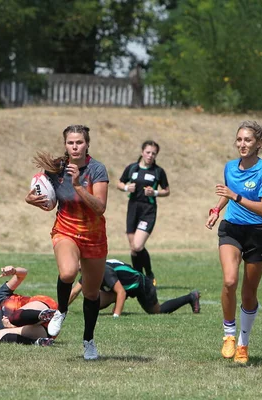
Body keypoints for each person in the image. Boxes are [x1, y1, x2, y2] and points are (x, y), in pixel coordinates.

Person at [25, 125, 109, 360]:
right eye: (71, 142)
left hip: (94, 237)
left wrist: (78, 185)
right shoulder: (55, 168)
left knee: (92, 294)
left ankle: (89, 341)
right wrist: (31, 200)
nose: (75, 146)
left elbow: (100, 208)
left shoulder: (97, 169)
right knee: (68, 273)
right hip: (66, 230)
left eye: (79, 142)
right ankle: (61, 310)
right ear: (65, 145)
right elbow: (50, 203)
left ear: (87, 144)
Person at [205, 121, 262, 365]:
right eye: (239, 140)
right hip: (231, 230)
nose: (242, 144)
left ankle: (243, 344)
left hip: (256, 233)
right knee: (229, 280)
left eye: (247, 140)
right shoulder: (229, 167)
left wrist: (236, 196)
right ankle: (228, 335)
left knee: (248, 293)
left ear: (258, 144)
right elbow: (228, 194)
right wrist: (217, 209)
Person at [68, 259, 200, 317]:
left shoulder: (104, 271)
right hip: (125, 286)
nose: (79, 269)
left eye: (80, 265)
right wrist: (60, 309)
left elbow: (121, 292)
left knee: (157, 311)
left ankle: (191, 297)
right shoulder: (89, 271)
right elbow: (74, 292)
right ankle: (116, 306)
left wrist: (116, 316)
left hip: (140, 284)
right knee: (92, 300)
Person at [117, 140, 169, 286]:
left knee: (138, 245)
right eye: (148, 152)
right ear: (142, 152)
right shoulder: (132, 168)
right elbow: (119, 183)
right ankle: (138, 278)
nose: (150, 155)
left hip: (148, 210)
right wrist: (127, 188)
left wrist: (155, 192)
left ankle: (149, 273)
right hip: (133, 208)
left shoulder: (158, 171)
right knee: (133, 248)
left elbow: (167, 190)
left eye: (153, 153)